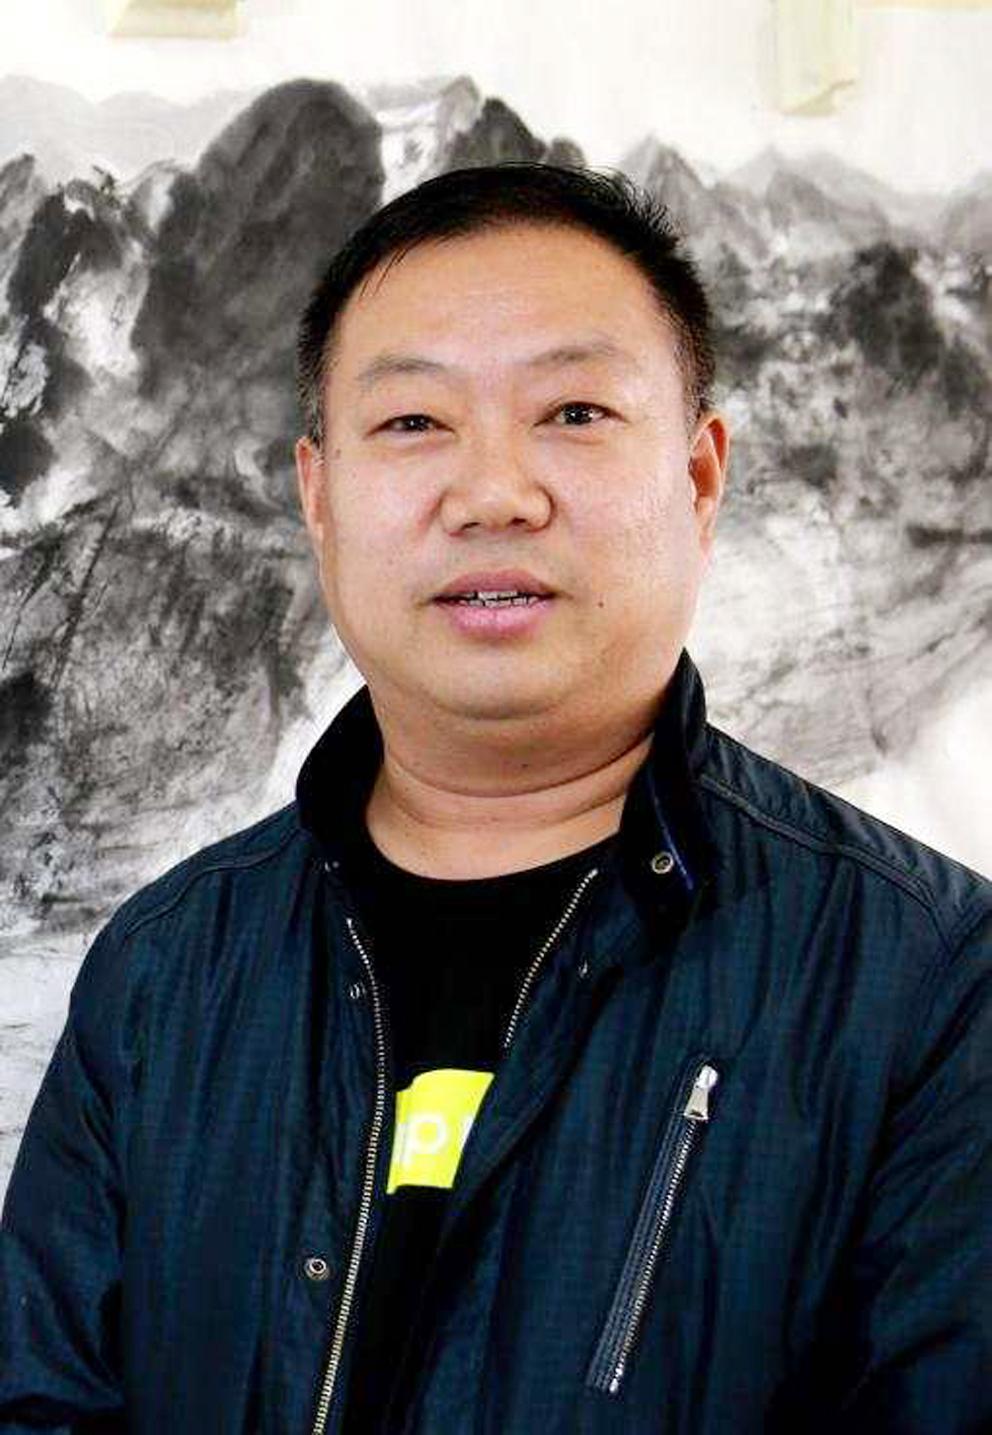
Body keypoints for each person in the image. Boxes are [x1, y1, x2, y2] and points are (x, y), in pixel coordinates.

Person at [1, 162, 989, 1435]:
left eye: (573, 411)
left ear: (698, 479)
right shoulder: (166, 966)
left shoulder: (930, 985)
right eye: (414, 422)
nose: (491, 494)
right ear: (317, 495)